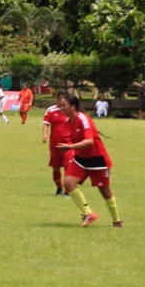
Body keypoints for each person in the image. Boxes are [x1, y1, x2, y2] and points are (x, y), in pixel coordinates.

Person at [55, 93, 122, 227]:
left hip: (97, 159)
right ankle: (88, 214)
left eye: (64, 106)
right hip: (80, 158)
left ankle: (116, 220)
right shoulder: (68, 122)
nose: (61, 108)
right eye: (59, 106)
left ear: (73, 106)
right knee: (68, 183)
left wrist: (70, 147)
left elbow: (89, 141)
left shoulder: (83, 119)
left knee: (105, 191)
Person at [42, 92, 74, 196]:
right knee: (56, 168)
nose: (61, 101)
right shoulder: (51, 110)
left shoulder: (70, 110)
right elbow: (46, 123)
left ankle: (67, 191)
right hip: (55, 144)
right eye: (59, 98)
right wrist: (45, 135)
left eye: (63, 99)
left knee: (68, 167)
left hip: (69, 144)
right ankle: (59, 187)